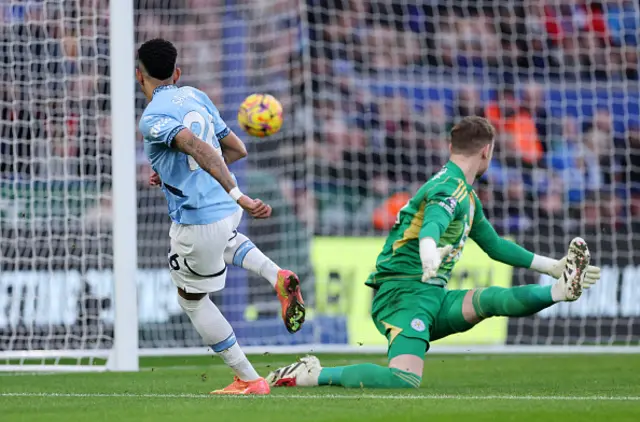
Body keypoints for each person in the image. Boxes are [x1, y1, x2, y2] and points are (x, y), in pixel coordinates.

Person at [265, 116, 601, 389]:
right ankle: (311, 374)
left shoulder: (466, 194)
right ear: (487, 151)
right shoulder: (449, 188)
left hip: (430, 294)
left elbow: (495, 245)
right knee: (403, 379)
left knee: (490, 301)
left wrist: (553, 267)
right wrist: (429, 252)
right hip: (402, 293)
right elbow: (433, 225)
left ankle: (559, 290)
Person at [137, 38, 305, 395]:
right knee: (227, 243)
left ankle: (248, 378)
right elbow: (235, 149)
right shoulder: (196, 95)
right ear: (177, 73)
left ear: (140, 76)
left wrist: (238, 194)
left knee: (191, 300)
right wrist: (172, 172)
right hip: (226, 215)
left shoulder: (153, 117)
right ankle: (277, 275)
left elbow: (197, 148)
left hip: (200, 219)